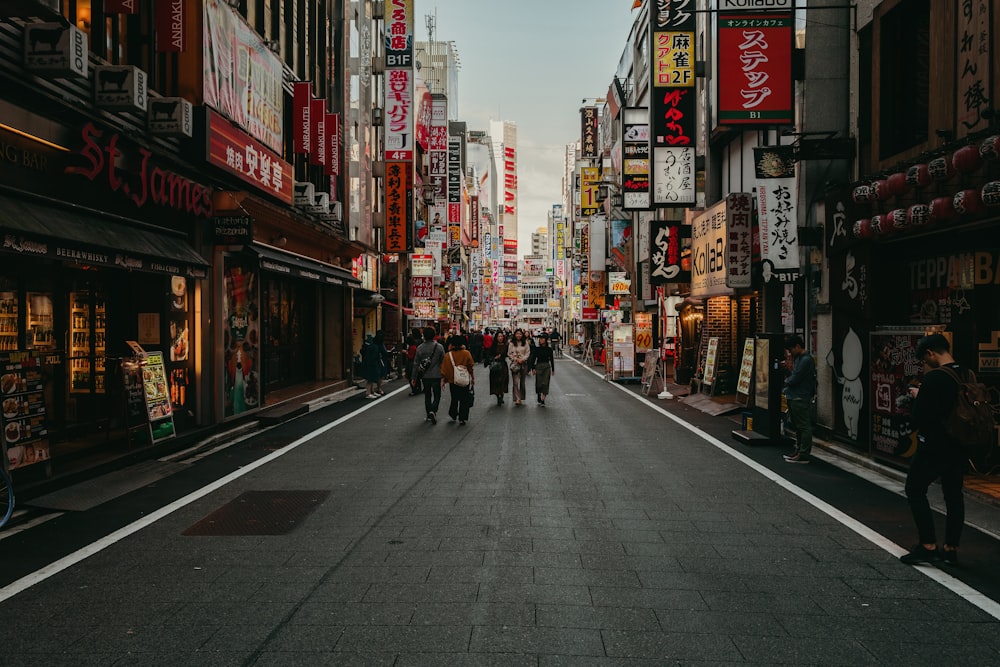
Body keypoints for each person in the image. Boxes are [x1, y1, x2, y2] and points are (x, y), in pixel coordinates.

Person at [900, 333, 967, 566]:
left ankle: (928, 545)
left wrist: (918, 396)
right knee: (954, 495)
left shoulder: (935, 377)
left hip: (935, 445)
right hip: (959, 445)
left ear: (931, 353)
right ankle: (951, 549)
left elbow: (921, 416)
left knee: (915, 488)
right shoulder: (966, 373)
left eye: (924, 359)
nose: (925, 363)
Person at [782, 334, 816, 464]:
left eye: (791, 349)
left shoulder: (805, 360)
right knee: (798, 426)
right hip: (795, 395)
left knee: (803, 426)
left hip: (800, 396)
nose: (790, 353)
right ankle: (799, 450)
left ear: (797, 346)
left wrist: (787, 380)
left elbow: (795, 378)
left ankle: (803, 453)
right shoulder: (799, 358)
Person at [441, 334, 475, 425]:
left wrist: (443, 380)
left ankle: (453, 413)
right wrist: (472, 377)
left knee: (454, 397)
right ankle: (462, 417)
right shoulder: (466, 353)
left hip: (453, 380)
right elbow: (471, 366)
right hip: (464, 379)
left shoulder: (448, 355)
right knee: (464, 398)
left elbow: (444, 369)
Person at [414, 326, 445, 423]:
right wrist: (444, 376)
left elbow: (416, 363)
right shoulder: (439, 347)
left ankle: (428, 413)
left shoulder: (420, 348)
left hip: (425, 375)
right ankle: (433, 410)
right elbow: (443, 361)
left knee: (427, 394)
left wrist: (413, 377)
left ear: (424, 335)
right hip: (437, 375)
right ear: (434, 335)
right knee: (437, 394)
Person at [529, 331, 555, 406]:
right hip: (538, 366)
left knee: (546, 383)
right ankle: (539, 394)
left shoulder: (549, 349)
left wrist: (553, 369)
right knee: (539, 383)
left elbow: (551, 359)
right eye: (540, 339)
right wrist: (533, 368)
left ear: (546, 340)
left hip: (547, 366)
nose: (541, 340)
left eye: (543, 338)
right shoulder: (537, 349)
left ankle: (543, 399)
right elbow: (533, 359)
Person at [507, 328, 532, 406]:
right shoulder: (511, 343)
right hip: (515, 365)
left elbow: (528, 353)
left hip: (524, 364)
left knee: (522, 382)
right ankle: (517, 398)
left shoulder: (525, 343)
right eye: (517, 334)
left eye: (520, 334)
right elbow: (509, 353)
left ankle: (521, 396)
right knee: (515, 382)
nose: (518, 335)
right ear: (514, 335)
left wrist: (522, 359)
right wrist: (515, 359)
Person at [486, 331, 510, 405]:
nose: (500, 338)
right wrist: (494, 358)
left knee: (503, 381)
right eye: (499, 336)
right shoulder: (493, 346)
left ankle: (501, 394)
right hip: (495, 366)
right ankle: (498, 396)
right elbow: (488, 355)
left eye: (501, 336)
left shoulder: (506, 346)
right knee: (495, 382)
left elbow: (508, 354)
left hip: (503, 365)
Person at [360, 334, 385, 399]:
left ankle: (372, 391)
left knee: (372, 379)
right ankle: (368, 393)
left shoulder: (372, 346)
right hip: (372, 365)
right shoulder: (375, 347)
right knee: (370, 379)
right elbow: (373, 357)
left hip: (369, 364)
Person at [405, 328, 422, 396]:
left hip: (412, 362)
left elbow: (410, 356)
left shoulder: (413, 346)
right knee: (417, 376)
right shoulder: (420, 341)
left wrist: (406, 352)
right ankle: (418, 389)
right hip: (419, 360)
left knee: (412, 376)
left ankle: (414, 390)